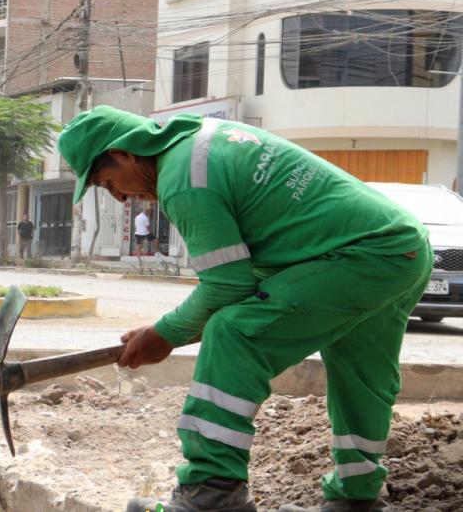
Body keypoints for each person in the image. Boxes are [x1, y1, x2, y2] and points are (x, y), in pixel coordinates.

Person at [56, 107, 429, 512]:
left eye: (108, 182)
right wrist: (169, 331)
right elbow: (237, 284)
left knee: (233, 335)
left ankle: (212, 492)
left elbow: (227, 286)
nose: (120, 196)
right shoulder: (203, 139)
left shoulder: (184, 180)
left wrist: (163, 334)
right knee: (361, 372)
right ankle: (357, 500)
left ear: (124, 153)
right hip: (402, 248)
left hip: (359, 255)